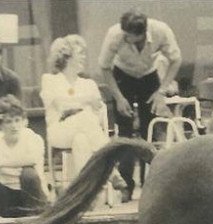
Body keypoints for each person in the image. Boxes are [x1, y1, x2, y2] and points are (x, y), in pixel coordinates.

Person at [98, 8, 181, 202]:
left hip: (148, 76)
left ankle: (150, 184)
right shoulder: (115, 35)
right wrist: (118, 97)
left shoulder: (161, 31)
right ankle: (126, 185)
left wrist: (161, 91)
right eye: (124, 36)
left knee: (149, 130)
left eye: (130, 37)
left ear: (142, 34)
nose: (126, 39)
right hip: (122, 75)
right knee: (126, 133)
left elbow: (176, 60)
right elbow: (104, 66)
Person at [41, 35, 120, 186]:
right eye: (80, 53)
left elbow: (98, 114)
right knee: (85, 118)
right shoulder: (49, 80)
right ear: (67, 57)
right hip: (59, 131)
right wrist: (86, 101)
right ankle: (111, 166)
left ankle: (83, 194)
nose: (84, 57)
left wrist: (78, 106)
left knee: (81, 141)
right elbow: (60, 104)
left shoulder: (89, 84)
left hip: (86, 132)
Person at [0, 95, 48, 217]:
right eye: (8, 121)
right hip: (7, 196)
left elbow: (31, 159)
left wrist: (3, 162)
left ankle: (36, 216)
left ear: (23, 121)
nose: (13, 126)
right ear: (1, 125)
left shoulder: (32, 138)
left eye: (17, 120)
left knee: (28, 174)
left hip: (32, 194)